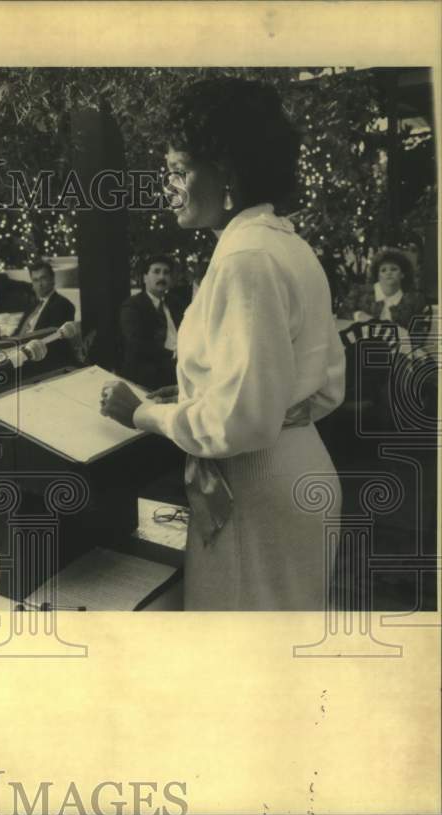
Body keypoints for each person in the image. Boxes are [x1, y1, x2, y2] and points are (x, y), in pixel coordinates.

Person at [100, 77, 345, 611]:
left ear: (226, 172)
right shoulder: (285, 243)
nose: (169, 186)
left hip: (255, 494)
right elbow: (320, 389)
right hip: (297, 471)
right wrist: (197, 397)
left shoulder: (244, 260)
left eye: (179, 172)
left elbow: (241, 422)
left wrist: (144, 414)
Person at [117, 255, 186, 390]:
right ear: (145, 278)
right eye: (156, 271)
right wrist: (174, 355)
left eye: (166, 273)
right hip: (150, 372)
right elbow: (137, 344)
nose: (162, 277)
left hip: (180, 365)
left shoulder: (175, 304)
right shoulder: (132, 306)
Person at [338, 247, 429, 341]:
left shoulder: (414, 300)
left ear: (402, 274)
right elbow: (341, 313)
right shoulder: (360, 292)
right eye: (383, 270)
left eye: (394, 269)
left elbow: (419, 335)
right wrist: (358, 315)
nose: (388, 273)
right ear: (377, 275)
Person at [15, 260, 76, 335]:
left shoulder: (62, 304)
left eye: (43, 278)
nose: (39, 284)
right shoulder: (33, 305)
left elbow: (53, 338)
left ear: (52, 279)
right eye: (35, 280)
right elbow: (18, 331)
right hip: (16, 344)